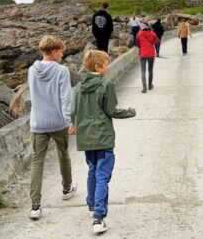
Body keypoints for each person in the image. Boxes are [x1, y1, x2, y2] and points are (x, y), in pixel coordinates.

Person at [70, 50, 136, 235]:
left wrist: (73, 124)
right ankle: (98, 217)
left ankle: (91, 205)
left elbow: (72, 110)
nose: (108, 66)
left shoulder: (79, 87)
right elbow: (112, 110)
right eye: (107, 64)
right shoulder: (106, 84)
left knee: (92, 170)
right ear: (98, 67)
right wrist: (130, 112)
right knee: (102, 176)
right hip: (103, 137)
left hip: (86, 137)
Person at [28, 35, 77, 221]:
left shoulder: (32, 70)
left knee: (37, 161)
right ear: (55, 51)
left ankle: (35, 206)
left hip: (38, 122)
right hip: (57, 122)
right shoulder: (61, 71)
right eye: (62, 51)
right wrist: (70, 121)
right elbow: (66, 98)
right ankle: (66, 188)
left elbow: (34, 95)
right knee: (63, 154)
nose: (63, 54)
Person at [136, 23, 159, 92]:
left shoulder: (139, 34)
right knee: (150, 70)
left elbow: (137, 44)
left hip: (143, 53)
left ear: (142, 27)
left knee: (143, 71)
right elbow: (158, 41)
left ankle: (144, 87)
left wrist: (142, 47)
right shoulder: (152, 33)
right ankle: (150, 85)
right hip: (151, 53)